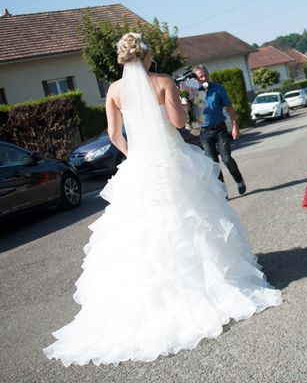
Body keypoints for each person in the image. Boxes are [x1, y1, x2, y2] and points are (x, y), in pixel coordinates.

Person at [43, 33, 281, 366]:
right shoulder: (164, 81)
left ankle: (152, 297)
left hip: (140, 166)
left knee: (144, 229)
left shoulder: (113, 91)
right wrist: (184, 104)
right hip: (172, 161)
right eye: (151, 52)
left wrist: (135, 156)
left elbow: (114, 135)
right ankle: (209, 284)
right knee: (191, 218)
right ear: (146, 56)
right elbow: (179, 123)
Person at [192, 65, 246, 196]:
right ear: (195, 79)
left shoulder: (218, 89)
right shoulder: (192, 93)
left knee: (226, 159)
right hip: (205, 133)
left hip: (220, 129)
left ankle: (239, 180)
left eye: (205, 75)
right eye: (200, 77)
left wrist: (235, 126)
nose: (204, 78)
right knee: (213, 164)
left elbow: (229, 107)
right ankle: (223, 191)